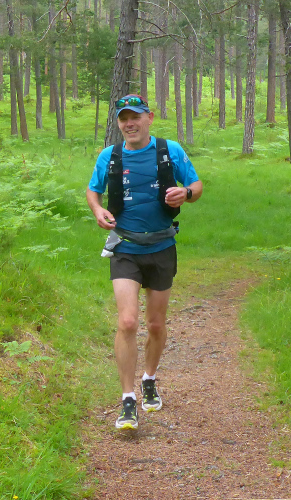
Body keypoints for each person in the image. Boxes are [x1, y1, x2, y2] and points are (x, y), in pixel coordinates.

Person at [86, 94, 203, 430]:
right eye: (123, 119)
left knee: (155, 324)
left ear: (149, 118)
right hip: (125, 247)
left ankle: (149, 378)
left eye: (135, 117)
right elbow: (93, 191)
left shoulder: (170, 150)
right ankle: (128, 400)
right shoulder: (110, 156)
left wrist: (186, 194)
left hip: (162, 246)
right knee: (127, 322)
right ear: (118, 123)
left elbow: (196, 185)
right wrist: (98, 210)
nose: (129, 124)